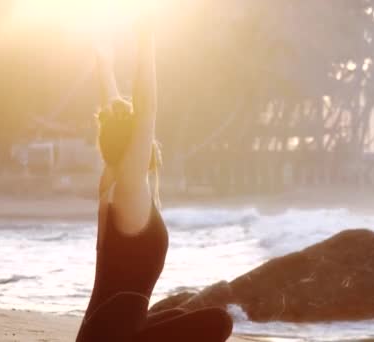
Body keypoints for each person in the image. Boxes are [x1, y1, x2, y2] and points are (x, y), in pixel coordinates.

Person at [75, 16, 233, 342]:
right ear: (134, 144)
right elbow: (146, 109)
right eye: (144, 138)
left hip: (99, 333)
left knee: (178, 309)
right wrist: (146, 40)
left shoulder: (112, 182)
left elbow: (115, 114)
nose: (151, 140)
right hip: (112, 336)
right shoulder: (130, 189)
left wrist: (105, 66)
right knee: (219, 322)